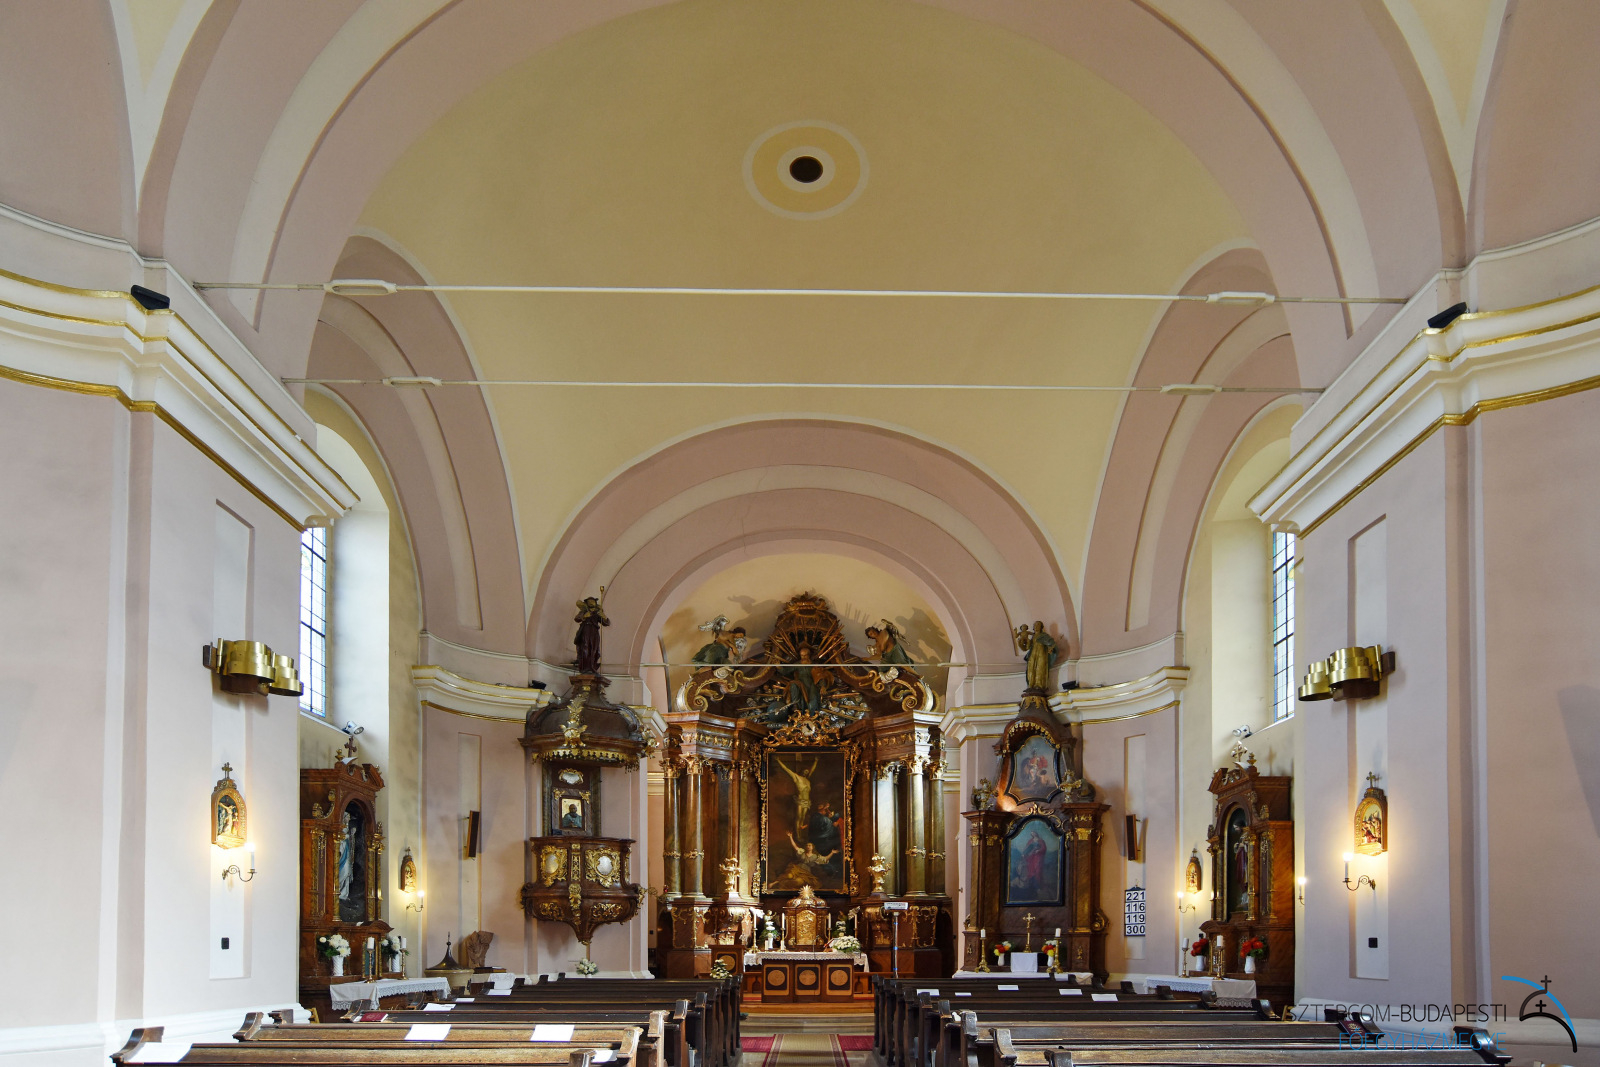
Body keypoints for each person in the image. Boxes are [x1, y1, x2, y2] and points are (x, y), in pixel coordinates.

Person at [774, 755, 818, 829]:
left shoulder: (807, 780)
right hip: (800, 800)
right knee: (798, 817)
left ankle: (800, 830)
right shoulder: (796, 777)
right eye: (805, 771)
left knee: (803, 817)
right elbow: (786, 769)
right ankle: (797, 833)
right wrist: (778, 761)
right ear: (802, 770)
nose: (806, 772)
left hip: (807, 801)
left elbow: (812, 770)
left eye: (807, 771)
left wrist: (816, 761)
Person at [573, 593, 610, 674]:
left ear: (595, 603)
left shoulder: (597, 612)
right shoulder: (584, 611)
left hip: (594, 632)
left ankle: (592, 666)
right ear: (586, 603)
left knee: (594, 648)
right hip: (585, 630)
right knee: (585, 647)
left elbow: (606, 623)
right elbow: (577, 619)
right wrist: (584, 616)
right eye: (589, 601)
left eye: (592, 601)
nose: (591, 602)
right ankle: (586, 667)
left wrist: (603, 616)